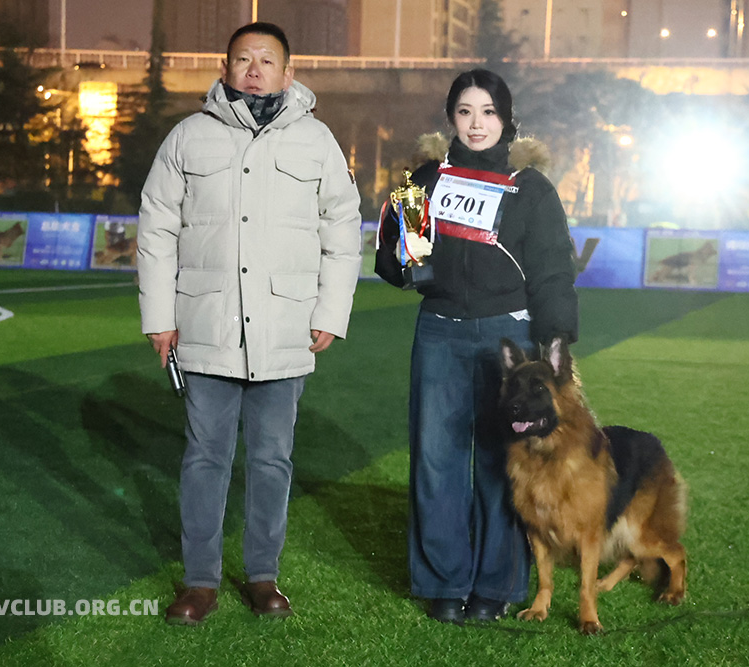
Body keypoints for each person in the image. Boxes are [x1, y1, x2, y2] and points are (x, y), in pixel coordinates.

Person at [137, 22, 362, 626]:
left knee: (271, 460)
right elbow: (156, 228)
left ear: (289, 72)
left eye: (267, 60)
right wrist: (159, 318)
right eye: (243, 59)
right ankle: (200, 583)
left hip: (285, 326)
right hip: (204, 323)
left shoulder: (316, 140)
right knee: (204, 458)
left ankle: (264, 577)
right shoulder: (189, 137)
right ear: (225, 67)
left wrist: (330, 312)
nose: (254, 69)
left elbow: (343, 232)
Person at [375, 69, 579, 624]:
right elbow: (397, 263)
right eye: (465, 111)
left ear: (507, 118)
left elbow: (553, 270)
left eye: (488, 111)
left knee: (501, 462)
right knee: (435, 460)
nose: (476, 123)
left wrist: (555, 339)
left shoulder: (530, 188)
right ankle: (443, 581)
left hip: (506, 339)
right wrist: (400, 250)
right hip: (439, 332)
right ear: (451, 118)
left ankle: (495, 584)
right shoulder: (423, 179)